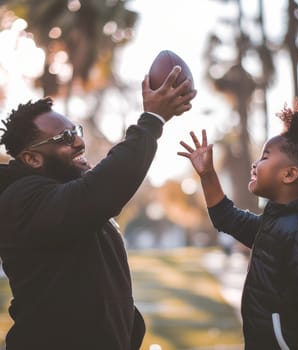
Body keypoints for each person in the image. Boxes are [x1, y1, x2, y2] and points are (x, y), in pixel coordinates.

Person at [0, 66, 196, 350]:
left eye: (75, 131)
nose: (79, 141)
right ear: (31, 159)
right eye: (64, 138)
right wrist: (152, 120)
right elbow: (102, 188)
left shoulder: (66, 197)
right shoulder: (21, 200)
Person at [178, 97, 298, 350]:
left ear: (289, 174)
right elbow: (226, 217)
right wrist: (207, 174)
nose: (255, 163)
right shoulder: (274, 225)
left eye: (265, 157)